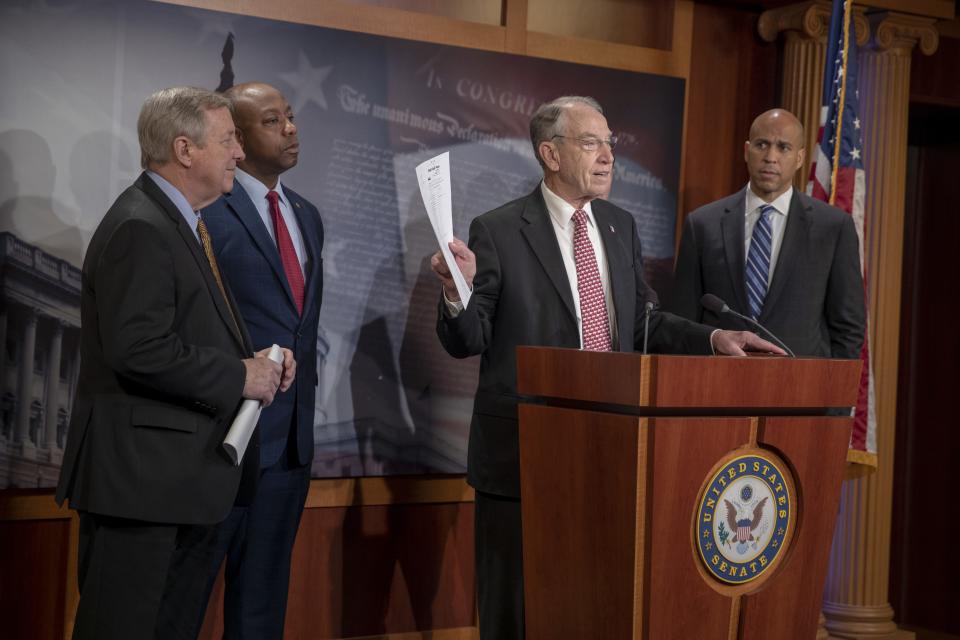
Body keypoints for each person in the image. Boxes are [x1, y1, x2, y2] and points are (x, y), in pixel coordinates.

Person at [429, 95, 782, 640]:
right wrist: (459, 290)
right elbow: (468, 338)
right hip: (523, 455)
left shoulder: (619, 225)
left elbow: (644, 322)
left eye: (610, 143)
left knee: (593, 604)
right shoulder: (498, 230)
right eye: (591, 143)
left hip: (609, 448)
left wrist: (714, 337)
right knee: (516, 610)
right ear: (550, 153)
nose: (608, 157)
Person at [54, 86, 295, 640]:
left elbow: (176, 335)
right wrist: (241, 375)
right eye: (230, 139)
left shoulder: (180, 221)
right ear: (185, 150)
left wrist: (253, 360)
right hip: (141, 490)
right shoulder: (142, 225)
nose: (239, 153)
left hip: (174, 484)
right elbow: (138, 348)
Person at [196, 81, 324, 638]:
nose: (291, 129)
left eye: (291, 117)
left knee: (261, 611)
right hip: (219, 442)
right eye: (273, 121)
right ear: (239, 139)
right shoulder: (207, 213)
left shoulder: (307, 214)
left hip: (290, 447)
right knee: (184, 601)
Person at [666, 108, 865, 359]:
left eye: (783, 148)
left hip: (801, 391)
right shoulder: (703, 224)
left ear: (800, 158)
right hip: (715, 387)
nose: (771, 157)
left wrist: (831, 394)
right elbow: (683, 321)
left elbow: (849, 328)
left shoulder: (834, 228)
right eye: (762, 145)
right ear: (747, 151)